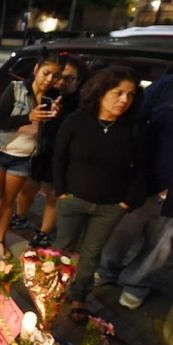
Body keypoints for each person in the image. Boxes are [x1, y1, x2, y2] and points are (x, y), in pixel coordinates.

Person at [53, 65, 145, 322]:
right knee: (63, 247)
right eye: (118, 92)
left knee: (91, 255)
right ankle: (53, 286)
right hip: (72, 199)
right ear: (101, 91)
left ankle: (79, 295)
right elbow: (59, 158)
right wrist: (61, 192)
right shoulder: (77, 120)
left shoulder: (134, 128)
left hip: (110, 206)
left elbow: (141, 169)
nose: (124, 100)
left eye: (130, 94)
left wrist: (126, 202)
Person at [0, 51, 62, 257]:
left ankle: (1, 239)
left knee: (8, 202)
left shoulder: (54, 98)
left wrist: (53, 118)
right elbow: (0, 121)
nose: (50, 80)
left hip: (23, 158)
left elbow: (49, 135)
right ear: (37, 70)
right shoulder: (16, 89)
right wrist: (28, 116)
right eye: (46, 73)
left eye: (55, 76)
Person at [96, 74, 173, 310]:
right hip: (147, 178)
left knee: (163, 245)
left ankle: (136, 282)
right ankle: (107, 269)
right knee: (121, 231)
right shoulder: (166, 86)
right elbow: (135, 117)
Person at [10, 56, 87, 248]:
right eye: (59, 76)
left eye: (69, 78)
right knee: (28, 188)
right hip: (40, 150)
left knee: (53, 195)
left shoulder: (81, 104)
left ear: (78, 81)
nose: (61, 82)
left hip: (62, 156)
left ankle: (44, 232)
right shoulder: (47, 94)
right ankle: (19, 217)